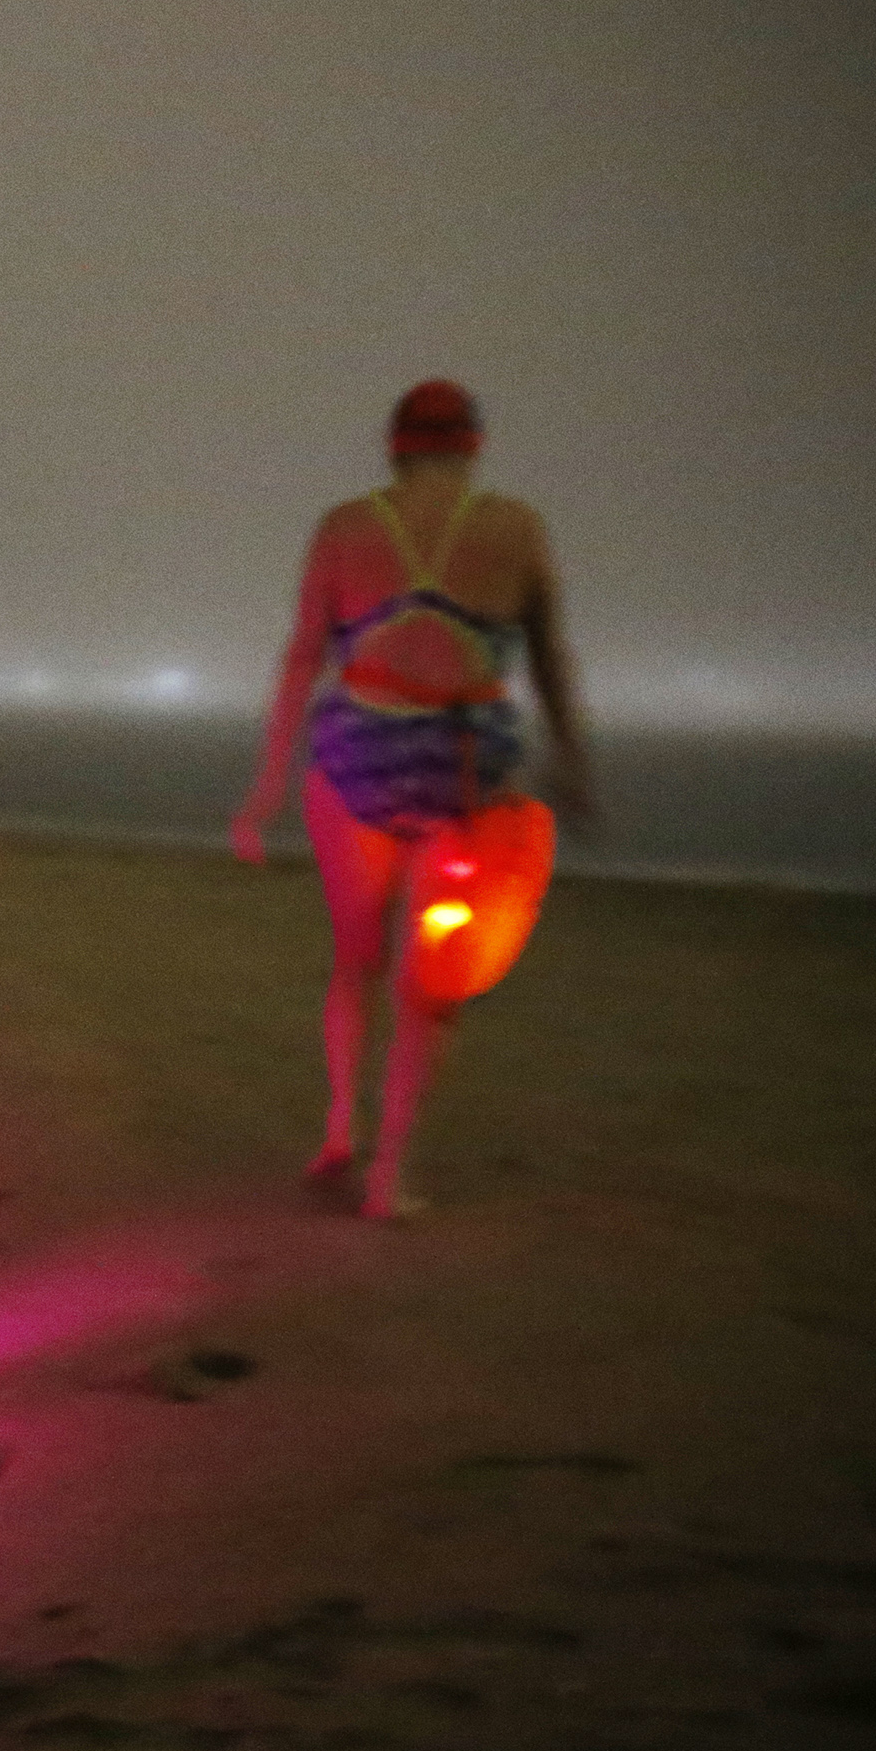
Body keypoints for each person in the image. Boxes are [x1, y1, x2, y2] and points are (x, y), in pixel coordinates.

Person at [232, 378, 594, 1220]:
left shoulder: (346, 528)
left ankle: (336, 1130)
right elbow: (550, 663)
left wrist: (266, 789)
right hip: (464, 774)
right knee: (429, 988)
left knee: (353, 962)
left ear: (393, 447)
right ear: (474, 447)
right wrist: (573, 765)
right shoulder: (516, 529)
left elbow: (299, 660)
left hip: (357, 756)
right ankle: (391, 1176)